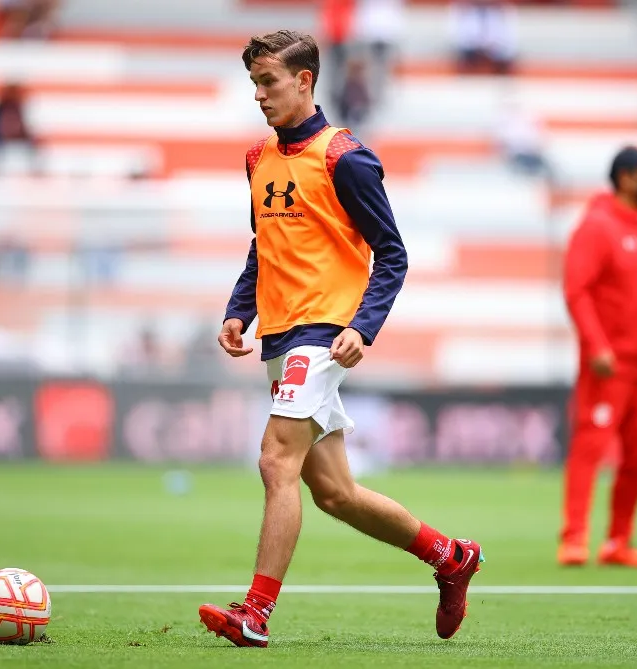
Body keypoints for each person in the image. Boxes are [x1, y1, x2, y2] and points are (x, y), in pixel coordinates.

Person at [198, 30, 483, 648]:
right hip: (279, 334)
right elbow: (264, 246)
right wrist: (238, 310)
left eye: (268, 82)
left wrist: (363, 327)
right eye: (253, 83)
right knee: (334, 493)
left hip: (322, 334)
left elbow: (392, 255)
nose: (258, 95)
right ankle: (450, 557)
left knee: (276, 461)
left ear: (305, 81)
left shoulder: (345, 157)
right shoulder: (257, 158)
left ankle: (255, 613)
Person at [559, 147, 637, 569]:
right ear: (625, 177)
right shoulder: (597, 226)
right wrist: (598, 346)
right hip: (611, 365)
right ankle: (574, 538)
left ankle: (618, 542)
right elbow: (576, 291)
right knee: (590, 447)